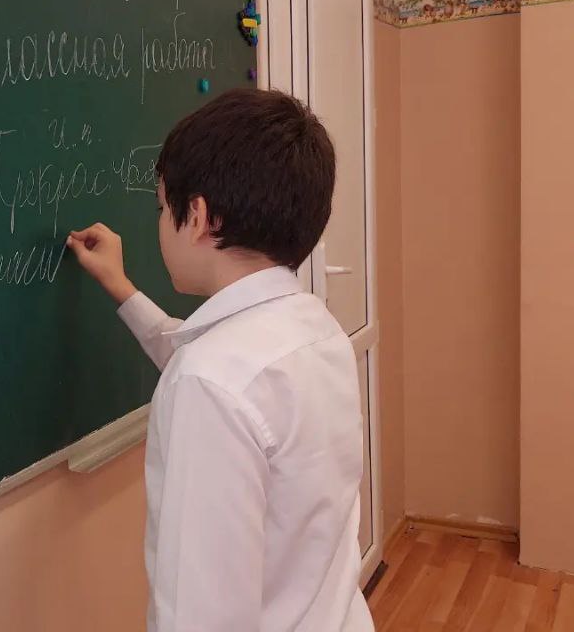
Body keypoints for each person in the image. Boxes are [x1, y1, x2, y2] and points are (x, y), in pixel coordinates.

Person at [67, 88, 374, 631]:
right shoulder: (313, 329)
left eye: (162, 208)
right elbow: (208, 357)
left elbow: (201, 617)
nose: (159, 223)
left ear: (199, 216)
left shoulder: (209, 382)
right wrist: (122, 288)